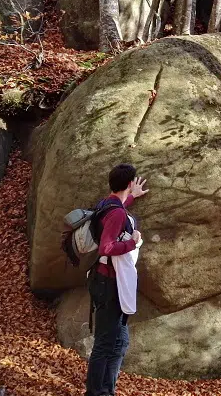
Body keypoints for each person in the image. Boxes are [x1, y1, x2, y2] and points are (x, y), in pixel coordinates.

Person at [85, 163, 147, 396]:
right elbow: (106, 247)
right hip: (109, 285)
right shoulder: (116, 212)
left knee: (119, 342)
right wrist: (133, 241)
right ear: (129, 183)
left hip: (108, 283)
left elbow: (114, 212)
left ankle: (106, 391)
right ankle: (95, 392)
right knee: (105, 343)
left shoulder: (107, 204)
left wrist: (131, 197)